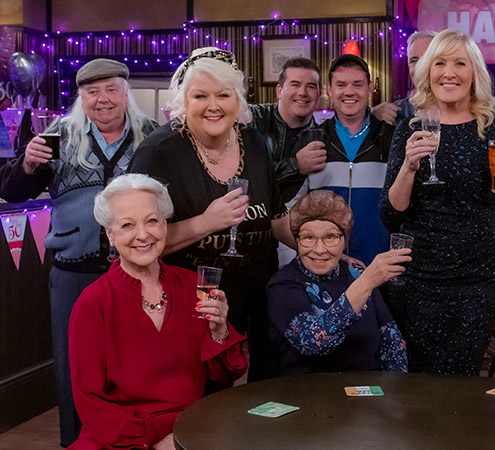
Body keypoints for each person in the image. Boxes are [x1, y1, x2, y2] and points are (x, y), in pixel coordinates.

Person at [0, 58, 157, 447]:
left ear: (126, 93)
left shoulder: (153, 136)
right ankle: (76, 442)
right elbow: (11, 190)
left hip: (137, 270)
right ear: (81, 97)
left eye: (111, 90)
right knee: (74, 365)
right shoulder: (58, 135)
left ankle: (132, 438)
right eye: (92, 92)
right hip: (73, 269)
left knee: (135, 362)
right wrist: (27, 165)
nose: (102, 100)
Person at [129, 47, 295, 381]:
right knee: (206, 393)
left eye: (223, 94)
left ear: (239, 100)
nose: (213, 106)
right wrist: (207, 222)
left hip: (260, 291)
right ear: (183, 102)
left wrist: (319, 250)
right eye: (200, 96)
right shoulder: (158, 152)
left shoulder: (253, 141)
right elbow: (136, 241)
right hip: (197, 297)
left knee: (267, 390)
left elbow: (276, 217)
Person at [380, 29, 495, 375]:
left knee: (461, 381)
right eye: (440, 63)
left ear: (474, 73)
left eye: (459, 63)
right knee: (415, 382)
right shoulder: (410, 128)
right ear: (427, 72)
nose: (449, 72)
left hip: (475, 282)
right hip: (416, 280)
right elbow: (391, 216)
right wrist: (408, 166)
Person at [69, 173, 246, 449]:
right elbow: (90, 402)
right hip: (120, 438)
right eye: (127, 225)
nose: (143, 235)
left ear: (165, 225)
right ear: (111, 235)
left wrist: (219, 330)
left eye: (152, 220)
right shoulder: (92, 304)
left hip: (192, 428)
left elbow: (223, 380)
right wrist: (150, 441)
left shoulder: (194, 285)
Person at [267, 190, 409, 374]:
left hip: (368, 390)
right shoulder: (283, 284)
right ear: (297, 240)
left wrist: (393, 393)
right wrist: (366, 282)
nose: (319, 249)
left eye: (330, 237)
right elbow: (313, 343)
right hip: (308, 392)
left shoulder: (355, 273)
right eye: (308, 238)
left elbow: (393, 343)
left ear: (344, 240)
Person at [306, 54, 394, 266]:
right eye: (341, 84)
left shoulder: (392, 138)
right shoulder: (310, 140)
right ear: (329, 89)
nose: (349, 92)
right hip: (324, 264)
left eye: (357, 84)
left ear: (370, 87)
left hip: (379, 264)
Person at [249, 57, 325, 265]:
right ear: (279, 90)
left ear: (319, 94)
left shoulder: (323, 135)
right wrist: (295, 166)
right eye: (295, 84)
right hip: (248, 238)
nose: (303, 92)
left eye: (311, 86)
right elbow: (244, 180)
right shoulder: (252, 120)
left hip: (294, 242)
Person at [371, 31, 437, 126]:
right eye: (414, 61)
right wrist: (371, 117)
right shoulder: (395, 113)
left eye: (427, 59)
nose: (420, 66)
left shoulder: (462, 109)